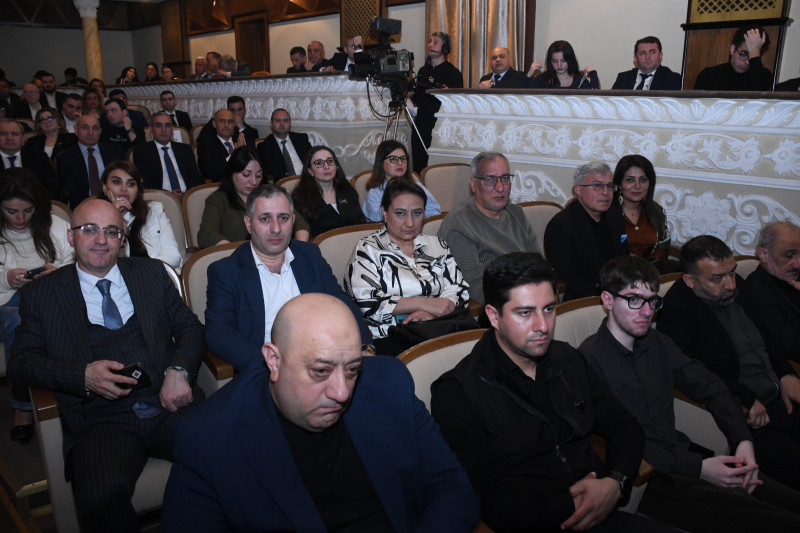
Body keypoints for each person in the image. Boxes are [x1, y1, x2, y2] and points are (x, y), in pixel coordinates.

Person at [165, 292, 478, 531]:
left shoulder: (389, 384)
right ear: (274, 361)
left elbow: (453, 489)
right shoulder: (208, 437)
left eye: (352, 369)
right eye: (320, 371)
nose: (341, 392)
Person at [431, 252, 670, 532]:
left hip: (601, 510)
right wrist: (574, 504)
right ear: (494, 316)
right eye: (525, 313)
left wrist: (615, 481)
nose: (543, 326)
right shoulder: (458, 392)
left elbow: (623, 423)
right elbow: (478, 496)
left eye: (549, 309)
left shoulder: (568, 359)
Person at [8, 198, 205, 532]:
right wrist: (82, 376)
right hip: (99, 420)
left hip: (169, 403)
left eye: (112, 231)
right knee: (99, 496)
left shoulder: (151, 273)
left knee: (230, 452)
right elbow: (22, 362)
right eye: (90, 230)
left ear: (122, 239)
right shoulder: (42, 294)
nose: (101, 239)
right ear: (71, 237)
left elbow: (190, 328)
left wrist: (179, 370)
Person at [580, 255, 800, 531]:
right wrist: (700, 468)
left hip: (683, 455)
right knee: (777, 522)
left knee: (788, 500)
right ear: (608, 300)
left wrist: (742, 440)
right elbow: (619, 441)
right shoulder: (588, 360)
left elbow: (710, 385)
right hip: (648, 478)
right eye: (634, 300)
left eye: (653, 301)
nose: (647, 312)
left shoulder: (656, 341)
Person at [658, 235, 800, 490]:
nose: (731, 284)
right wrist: (744, 398)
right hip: (747, 416)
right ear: (690, 280)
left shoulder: (738, 287)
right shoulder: (677, 311)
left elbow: (766, 337)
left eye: (732, 272)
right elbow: (694, 373)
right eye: (717, 278)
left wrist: (787, 373)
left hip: (780, 396)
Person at [205, 184, 372, 372]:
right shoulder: (226, 271)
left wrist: (363, 347)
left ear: (293, 221)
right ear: (249, 224)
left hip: (327, 359)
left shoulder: (309, 256)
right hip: (267, 370)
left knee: (392, 373)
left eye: (283, 218)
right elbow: (218, 331)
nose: (276, 228)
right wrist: (271, 365)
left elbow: (340, 302)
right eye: (265, 218)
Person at [346, 180, 469, 355]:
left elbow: (458, 289)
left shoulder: (437, 245)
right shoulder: (368, 249)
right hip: (389, 336)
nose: (410, 223)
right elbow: (368, 304)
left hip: (439, 326)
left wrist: (433, 314)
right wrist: (427, 304)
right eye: (400, 213)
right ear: (385, 212)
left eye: (417, 213)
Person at [0, 169, 72, 442]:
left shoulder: (55, 224)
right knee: (18, 322)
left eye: (28, 211)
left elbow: (74, 260)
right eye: (11, 212)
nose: (20, 219)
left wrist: (57, 272)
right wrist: (6, 278)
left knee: (54, 316)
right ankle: (23, 406)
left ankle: (68, 394)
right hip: (6, 300)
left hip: (48, 295)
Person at [438, 152, 540, 304]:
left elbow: (539, 266)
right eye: (490, 179)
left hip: (532, 298)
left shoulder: (517, 214)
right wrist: (523, 303)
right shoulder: (459, 226)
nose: (500, 187)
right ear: (474, 184)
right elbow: (475, 288)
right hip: (500, 307)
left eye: (505, 178)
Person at [544, 161, 628, 301]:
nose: (606, 192)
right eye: (597, 186)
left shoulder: (615, 217)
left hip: (618, 291)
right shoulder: (561, 226)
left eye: (609, 186)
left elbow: (623, 258)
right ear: (578, 190)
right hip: (584, 299)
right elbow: (569, 278)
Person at [197, 147, 310, 248]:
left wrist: (299, 247)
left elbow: (300, 223)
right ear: (232, 173)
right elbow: (206, 234)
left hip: (274, 255)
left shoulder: (270, 195)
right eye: (246, 175)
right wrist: (231, 251)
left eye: (258, 175)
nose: (253, 181)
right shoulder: (218, 199)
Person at [96, 161, 182, 269]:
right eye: (117, 182)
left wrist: (142, 272)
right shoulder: (92, 217)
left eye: (131, 184)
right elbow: (99, 261)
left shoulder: (154, 211)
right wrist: (113, 215)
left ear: (137, 191)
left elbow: (173, 256)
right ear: (104, 187)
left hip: (154, 274)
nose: (124, 188)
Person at [741, 222, 800, 364]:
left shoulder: (793, 275)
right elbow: (793, 348)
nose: (797, 264)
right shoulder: (758, 291)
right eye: (789, 256)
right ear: (763, 255)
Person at [409, 32, 463, 173]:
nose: (430, 45)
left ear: (445, 48)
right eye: (430, 41)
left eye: (436, 42)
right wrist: (410, 94)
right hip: (421, 126)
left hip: (441, 127)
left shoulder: (454, 73)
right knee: (419, 166)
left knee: (438, 169)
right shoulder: (422, 71)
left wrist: (447, 93)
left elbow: (457, 104)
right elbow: (419, 100)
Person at [612, 154, 676, 272]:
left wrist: (646, 267)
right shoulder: (607, 211)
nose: (637, 186)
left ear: (650, 183)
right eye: (630, 180)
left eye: (643, 180)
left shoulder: (656, 210)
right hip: (617, 272)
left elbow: (663, 247)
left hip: (650, 271)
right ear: (619, 184)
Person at [291, 146, 367, 238]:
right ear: (310, 171)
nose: (326, 167)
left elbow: (362, 225)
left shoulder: (348, 191)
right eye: (319, 163)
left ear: (336, 166)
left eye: (330, 161)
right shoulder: (301, 198)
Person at [57, 114, 125, 209]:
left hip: (115, 204)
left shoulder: (115, 152)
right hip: (82, 206)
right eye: (85, 128)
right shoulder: (65, 158)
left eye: (95, 128)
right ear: (76, 130)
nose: (90, 132)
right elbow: (72, 191)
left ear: (100, 131)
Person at [362, 139, 441, 221]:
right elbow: (379, 222)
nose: (400, 163)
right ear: (381, 163)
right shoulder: (375, 193)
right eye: (393, 159)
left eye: (403, 158)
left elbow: (434, 214)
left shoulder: (417, 186)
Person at [132, 111, 202, 197]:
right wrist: (168, 195)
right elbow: (145, 183)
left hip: (187, 196)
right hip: (160, 197)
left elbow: (196, 178)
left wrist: (186, 195)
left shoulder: (185, 149)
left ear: (172, 129)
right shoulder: (141, 152)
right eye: (158, 125)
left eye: (168, 125)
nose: (164, 130)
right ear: (151, 129)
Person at [1, 118, 63, 201]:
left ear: (23, 138)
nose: (9, 138)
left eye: (14, 134)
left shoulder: (39, 157)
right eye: (3, 134)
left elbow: (53, 189)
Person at [694, 26, 773, 91]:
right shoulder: (708, 75)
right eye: (744, 53)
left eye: (752, 55)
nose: (747, 62)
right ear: (733, 49)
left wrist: (754, 52)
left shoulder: (764, 76)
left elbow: (761, 94)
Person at [256, 108, 311, 182]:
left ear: (290, 124)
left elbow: (312, 160)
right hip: (283, 184)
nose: (282, 124)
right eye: (278, 120)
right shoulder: (265, 146)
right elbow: (269, 172)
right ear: (271, 124)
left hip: (307, 181)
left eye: (285, 120)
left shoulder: (301, 139)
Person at [611, 36, 682, 90]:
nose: (648, 57)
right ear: (635, 58)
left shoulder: (672, 78)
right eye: (643, 53)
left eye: (652, 52)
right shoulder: (623, 78)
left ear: (660, 55)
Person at [524, 40, 600, 89]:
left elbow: (594, 100)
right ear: (550, 62)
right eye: (555, 61)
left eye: (563, 61)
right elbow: (522, 99)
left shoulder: (580, 81)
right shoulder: (543, 79)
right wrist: (529, 75)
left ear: (570, 60)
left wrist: (593, 74)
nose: (559, 65)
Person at [197, 109, 238, 183]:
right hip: (221, 185)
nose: (226, 125)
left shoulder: (242, 141)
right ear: (214, 124)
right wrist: (233, 155)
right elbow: (209, 173)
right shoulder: (205, 145)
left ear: (234, 124)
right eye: (222, 121)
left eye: (230, 122)